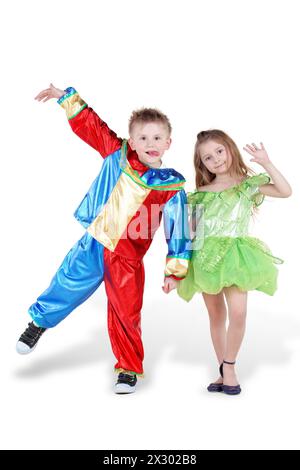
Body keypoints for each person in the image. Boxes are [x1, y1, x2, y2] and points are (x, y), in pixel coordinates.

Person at [16, 84, 191, 394]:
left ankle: (127, 369)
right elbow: (91, 126)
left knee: (126, 312)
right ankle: (38, 322)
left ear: (168, 143)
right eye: (143, 137)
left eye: (157, 138)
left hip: (127, 258)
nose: (150, 143)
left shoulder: (171, 186)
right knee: (66, 283)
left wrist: (174, 270)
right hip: (95, 242)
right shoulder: (117, 153)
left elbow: (180, 231)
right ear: (132, 140)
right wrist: (65, 97)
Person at [177, 130, 292, 395]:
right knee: (216, 314)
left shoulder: (246, 185)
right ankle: (223, 369)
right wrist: (179, 266)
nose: (216, 159)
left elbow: (285, 191)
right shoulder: (200, 194)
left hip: (236, 256)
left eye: (219, 151)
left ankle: (229, 365)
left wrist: (266, 162)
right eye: (207, 157)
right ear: (201, 164)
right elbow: (189, 232)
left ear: (230, 149)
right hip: (205, 257)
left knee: (238, 312)